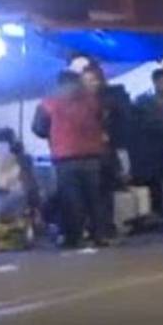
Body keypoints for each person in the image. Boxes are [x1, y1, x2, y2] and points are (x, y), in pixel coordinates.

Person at [32, 71, 107, 248]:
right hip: (92, 155)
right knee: (94, 197)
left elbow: (38, 128)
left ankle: (74, 237)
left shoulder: (49, 102)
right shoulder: (92, 100)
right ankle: (99, 235)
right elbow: (102, 120)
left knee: (71, 199)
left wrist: (55, 134)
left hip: (65, 156)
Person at [80, 63, 132, 238]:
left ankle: (105, 226)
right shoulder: (79, 102)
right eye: (87, 80)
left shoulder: (111, 99)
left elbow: (122, 122)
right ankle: (95, 226)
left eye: (93, 80)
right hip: (88, 151)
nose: (91, 84)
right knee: (91, 192)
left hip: (107, 150)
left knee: (105, 190)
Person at [131, 68, 163, 214]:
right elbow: (144, 124)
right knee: (155, 182)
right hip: (153, 149)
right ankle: (158, 211)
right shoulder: (144, 102)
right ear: (155, 82)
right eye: (162, 81)